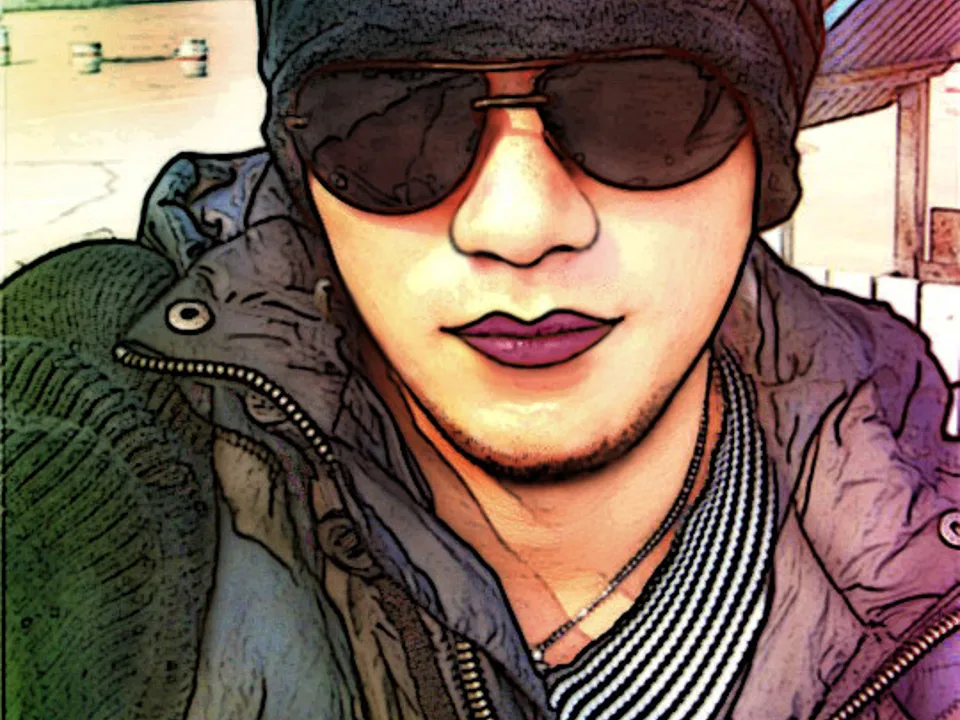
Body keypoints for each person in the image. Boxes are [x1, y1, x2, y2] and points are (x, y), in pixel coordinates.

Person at [4, 0, 959, 718]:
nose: (519, 225)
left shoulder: (922, 554)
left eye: (645, 107)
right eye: (390, 116)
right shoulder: (115, 463)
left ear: (763, 161)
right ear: (304, 173)